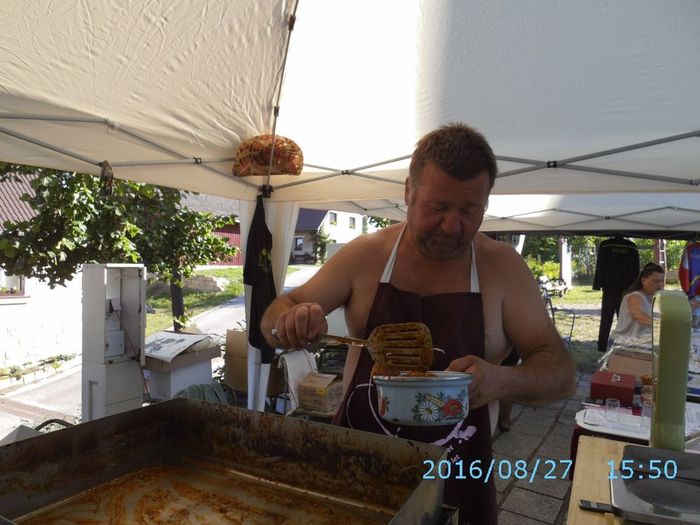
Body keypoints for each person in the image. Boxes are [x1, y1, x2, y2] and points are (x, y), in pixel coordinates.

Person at [261, 123, 576, 525]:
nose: (451, 227)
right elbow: (276, 315)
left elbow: (561, 374)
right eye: (438, 207)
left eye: (469, 211)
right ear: (409, 191)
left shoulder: (503, 269)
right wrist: (288, 323)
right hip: (357, 466)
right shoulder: (366, 256)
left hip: (457, 480)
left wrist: (501, 381)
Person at [609, 262, 665, 345]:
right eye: (656, 281)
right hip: (623, 343)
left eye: (662, 281)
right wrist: (662, 325)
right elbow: (638, 315)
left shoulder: (656, 298)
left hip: (640, 343)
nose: (660, 285)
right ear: (643, 280)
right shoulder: (635, 296)